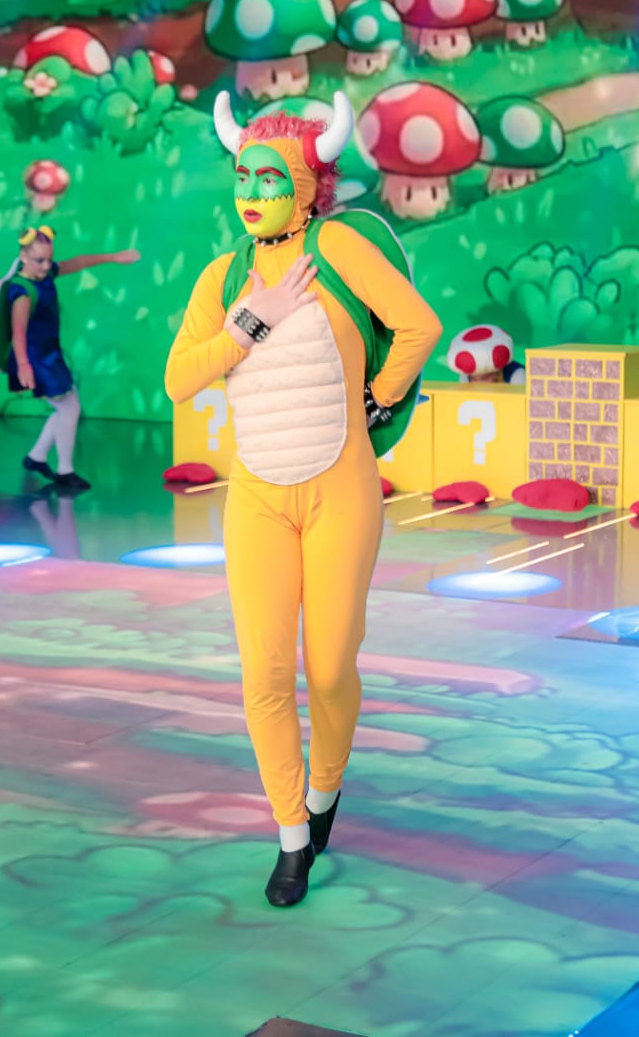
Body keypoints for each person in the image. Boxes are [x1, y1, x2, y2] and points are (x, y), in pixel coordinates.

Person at [166, 92, 442, 908]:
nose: (252, 193)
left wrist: (381, 397)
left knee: (327, 668)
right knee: (263, 672)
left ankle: (325, 788)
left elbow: (419, 326)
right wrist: (249, 323)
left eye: (270, 177)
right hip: (257, 500)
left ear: (309, 185)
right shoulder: (223, 278)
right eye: (243, 177)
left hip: (339, 492)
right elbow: (179, 380)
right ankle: (291, 835)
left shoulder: (337, 247)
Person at [0, 225, 140, 494]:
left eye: (49, 259)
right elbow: (18, 330)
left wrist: (114, 257)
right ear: (23, 256)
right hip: (37, 360)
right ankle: (64, 471)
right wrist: (23, 365)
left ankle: (37, 457)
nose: (47, 266)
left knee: (66, 408)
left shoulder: (44, 275)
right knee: (70, 408)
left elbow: (78, 262)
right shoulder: (22, 291)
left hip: (50, 355)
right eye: (39, 260)